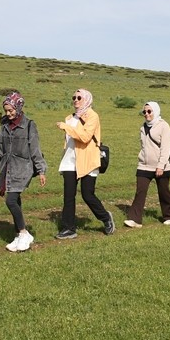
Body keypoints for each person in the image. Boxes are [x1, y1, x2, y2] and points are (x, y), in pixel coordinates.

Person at [0, 92, 47, 252]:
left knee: (11, 200)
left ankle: (23, 233)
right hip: (9, 169)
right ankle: (19, 235)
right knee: (15, 199)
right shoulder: (4, 127)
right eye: (6, 110)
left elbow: (35, 149)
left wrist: (41, 170)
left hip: (23, 169)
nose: (8, 114)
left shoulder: (29, 125)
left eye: (10, 110)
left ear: (18, 107)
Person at [55, 88, 114, 239]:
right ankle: (69, 228)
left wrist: (66, 127)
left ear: (86, 99)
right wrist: (68, 125)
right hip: (70, 161)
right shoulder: (69, 118)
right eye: (74, 97)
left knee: (88, 195)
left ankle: (106, 218)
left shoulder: (93, 116)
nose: (75, 100)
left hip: (87, 160)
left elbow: (86, 137)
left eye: (79, 97)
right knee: (69, 196)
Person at [124, 102, 170, 227]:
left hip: (161, 166)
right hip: (144, 165)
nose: (146, 114)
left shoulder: (164, 126)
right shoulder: (143, 127)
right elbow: (144, 146)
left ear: (156, 111)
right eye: (144, 112)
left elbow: (166, 148)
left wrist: (161, 165)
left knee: (164, 191)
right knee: (140, 191)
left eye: (149, 111)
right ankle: (135, 219)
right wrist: (141, 159)